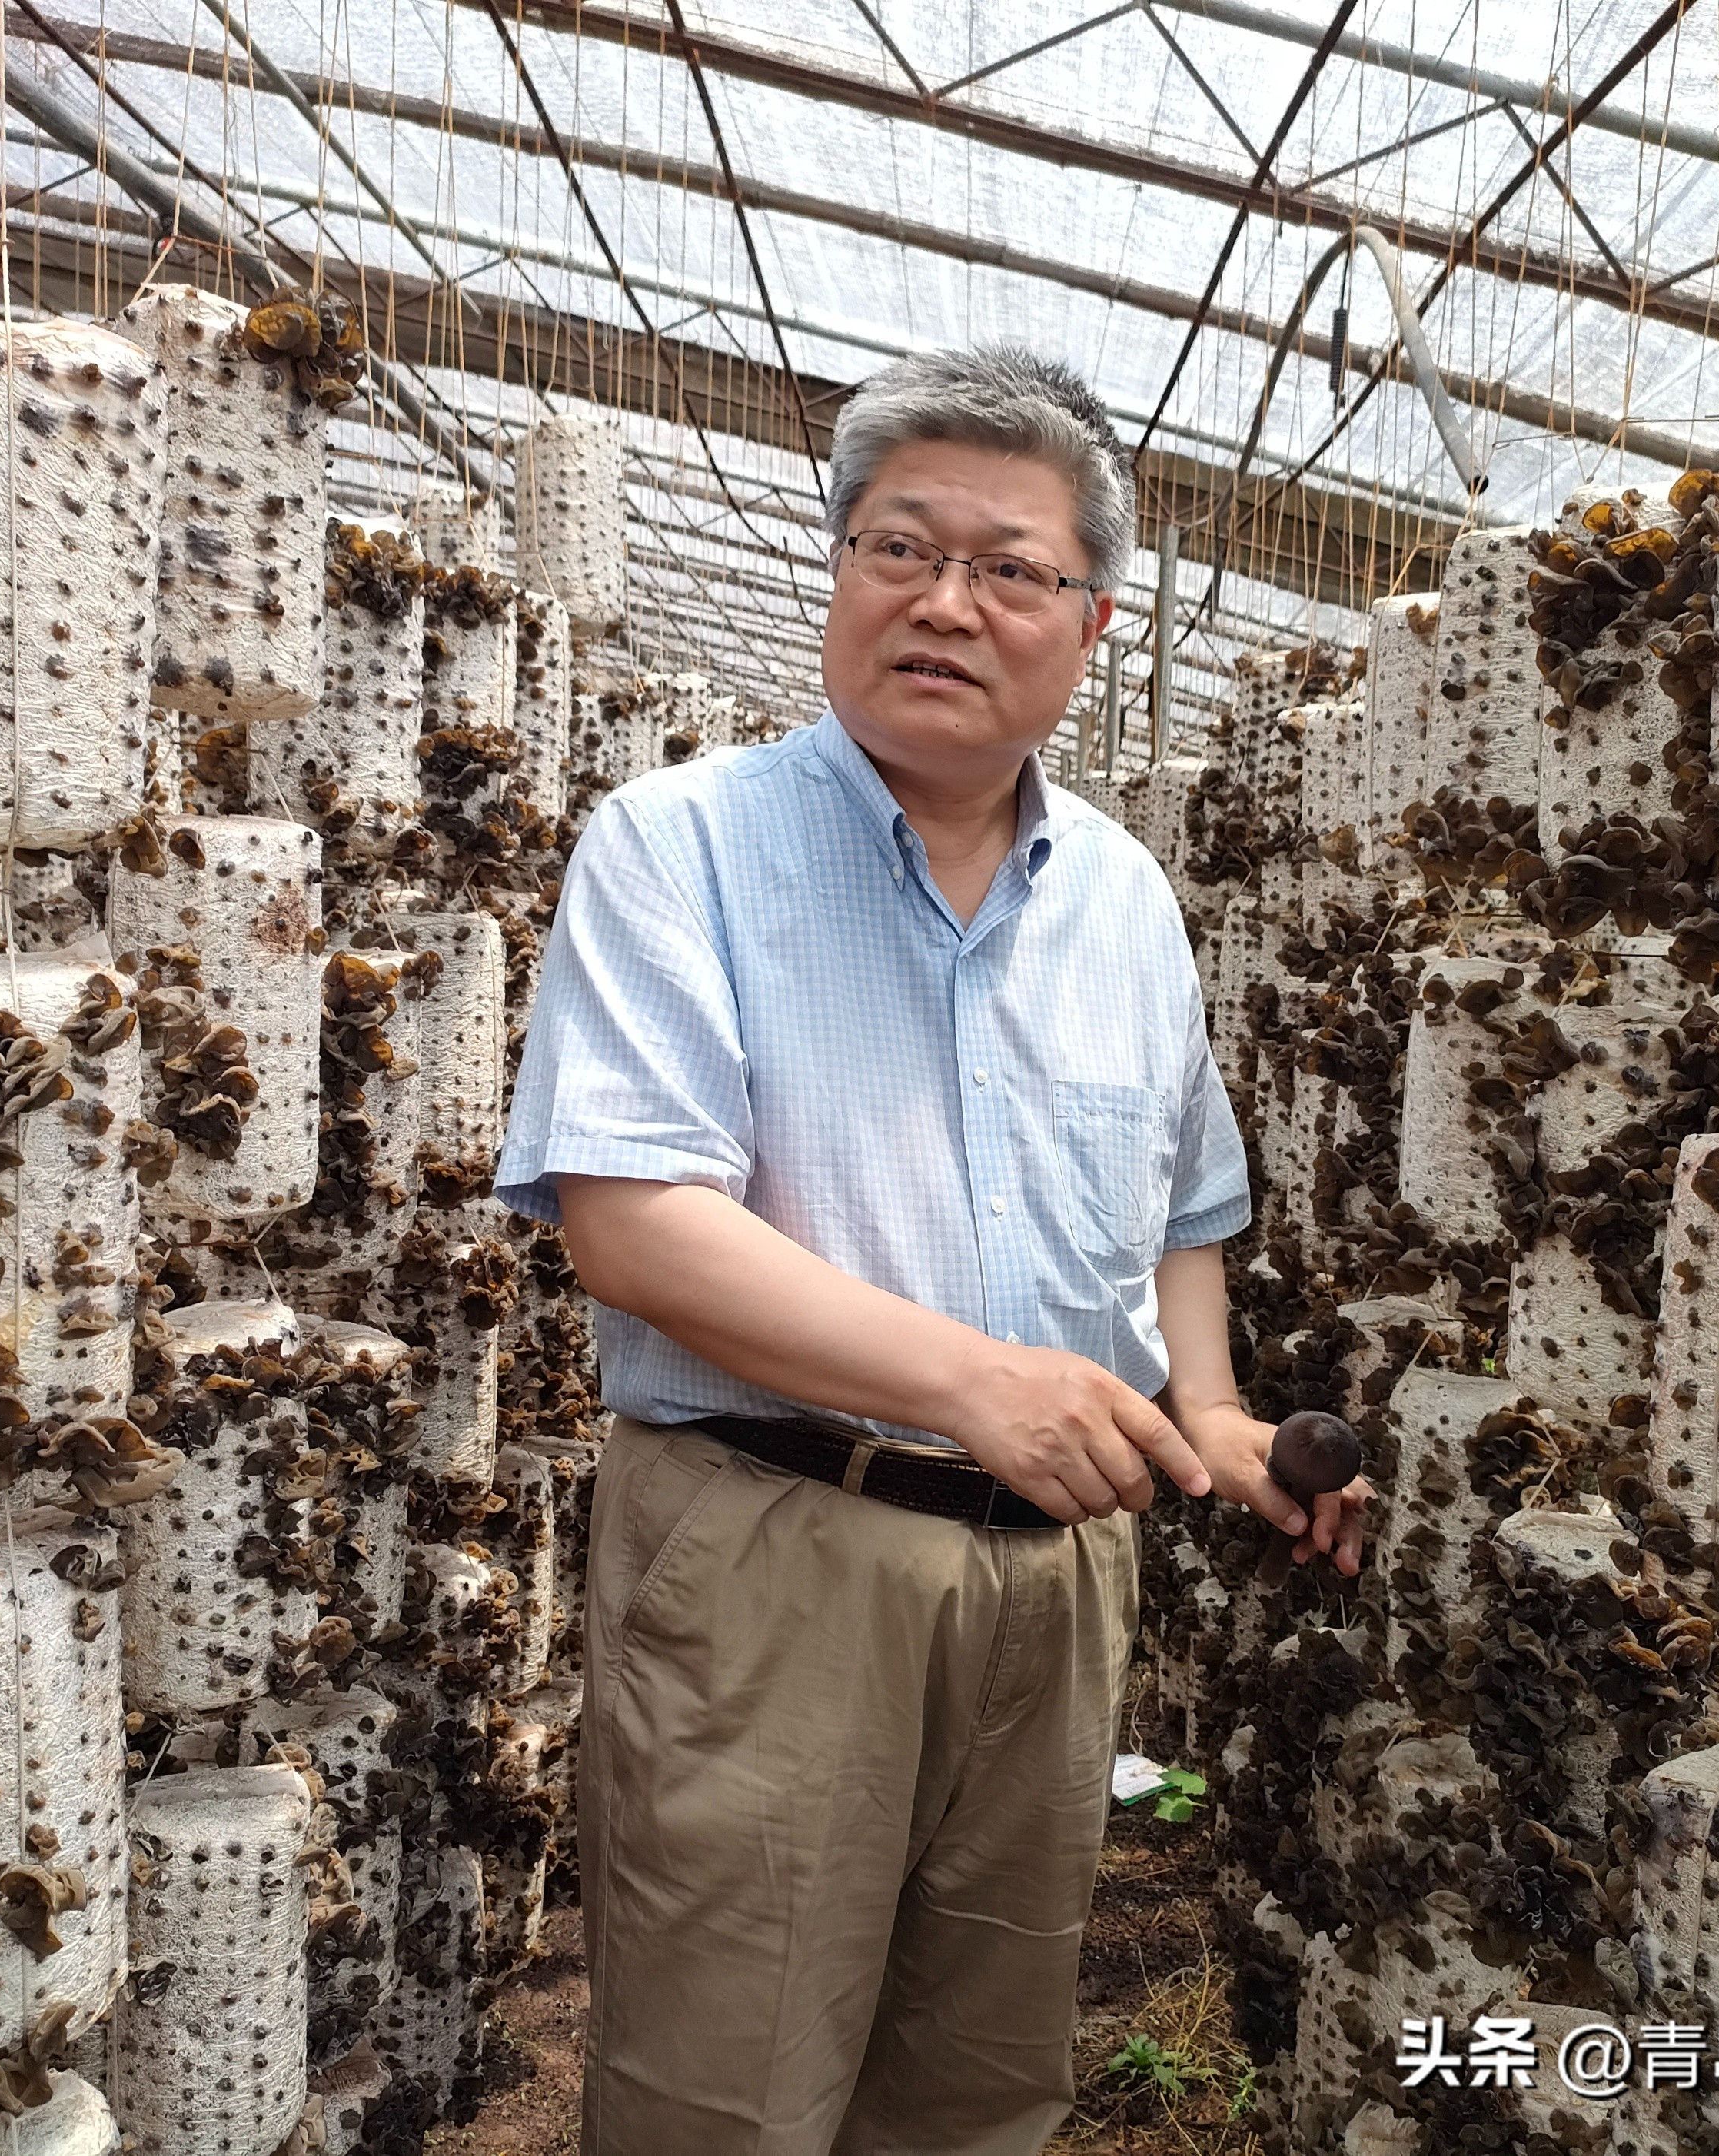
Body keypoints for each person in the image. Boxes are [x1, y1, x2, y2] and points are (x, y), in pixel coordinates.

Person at [494, 344, 1370, 2156]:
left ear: (1094, 620)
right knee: (725, 2082)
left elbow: (1185, 1210)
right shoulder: (683, 846)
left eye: (1010, 569)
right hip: (774, 1546)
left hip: (1053, 1573)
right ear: (839, 569)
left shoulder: (1123, 899)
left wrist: (1201, 1412)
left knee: (981, 2070)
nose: (946, 602)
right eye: (900, 549)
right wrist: (979, 1384)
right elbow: (634, 1224)